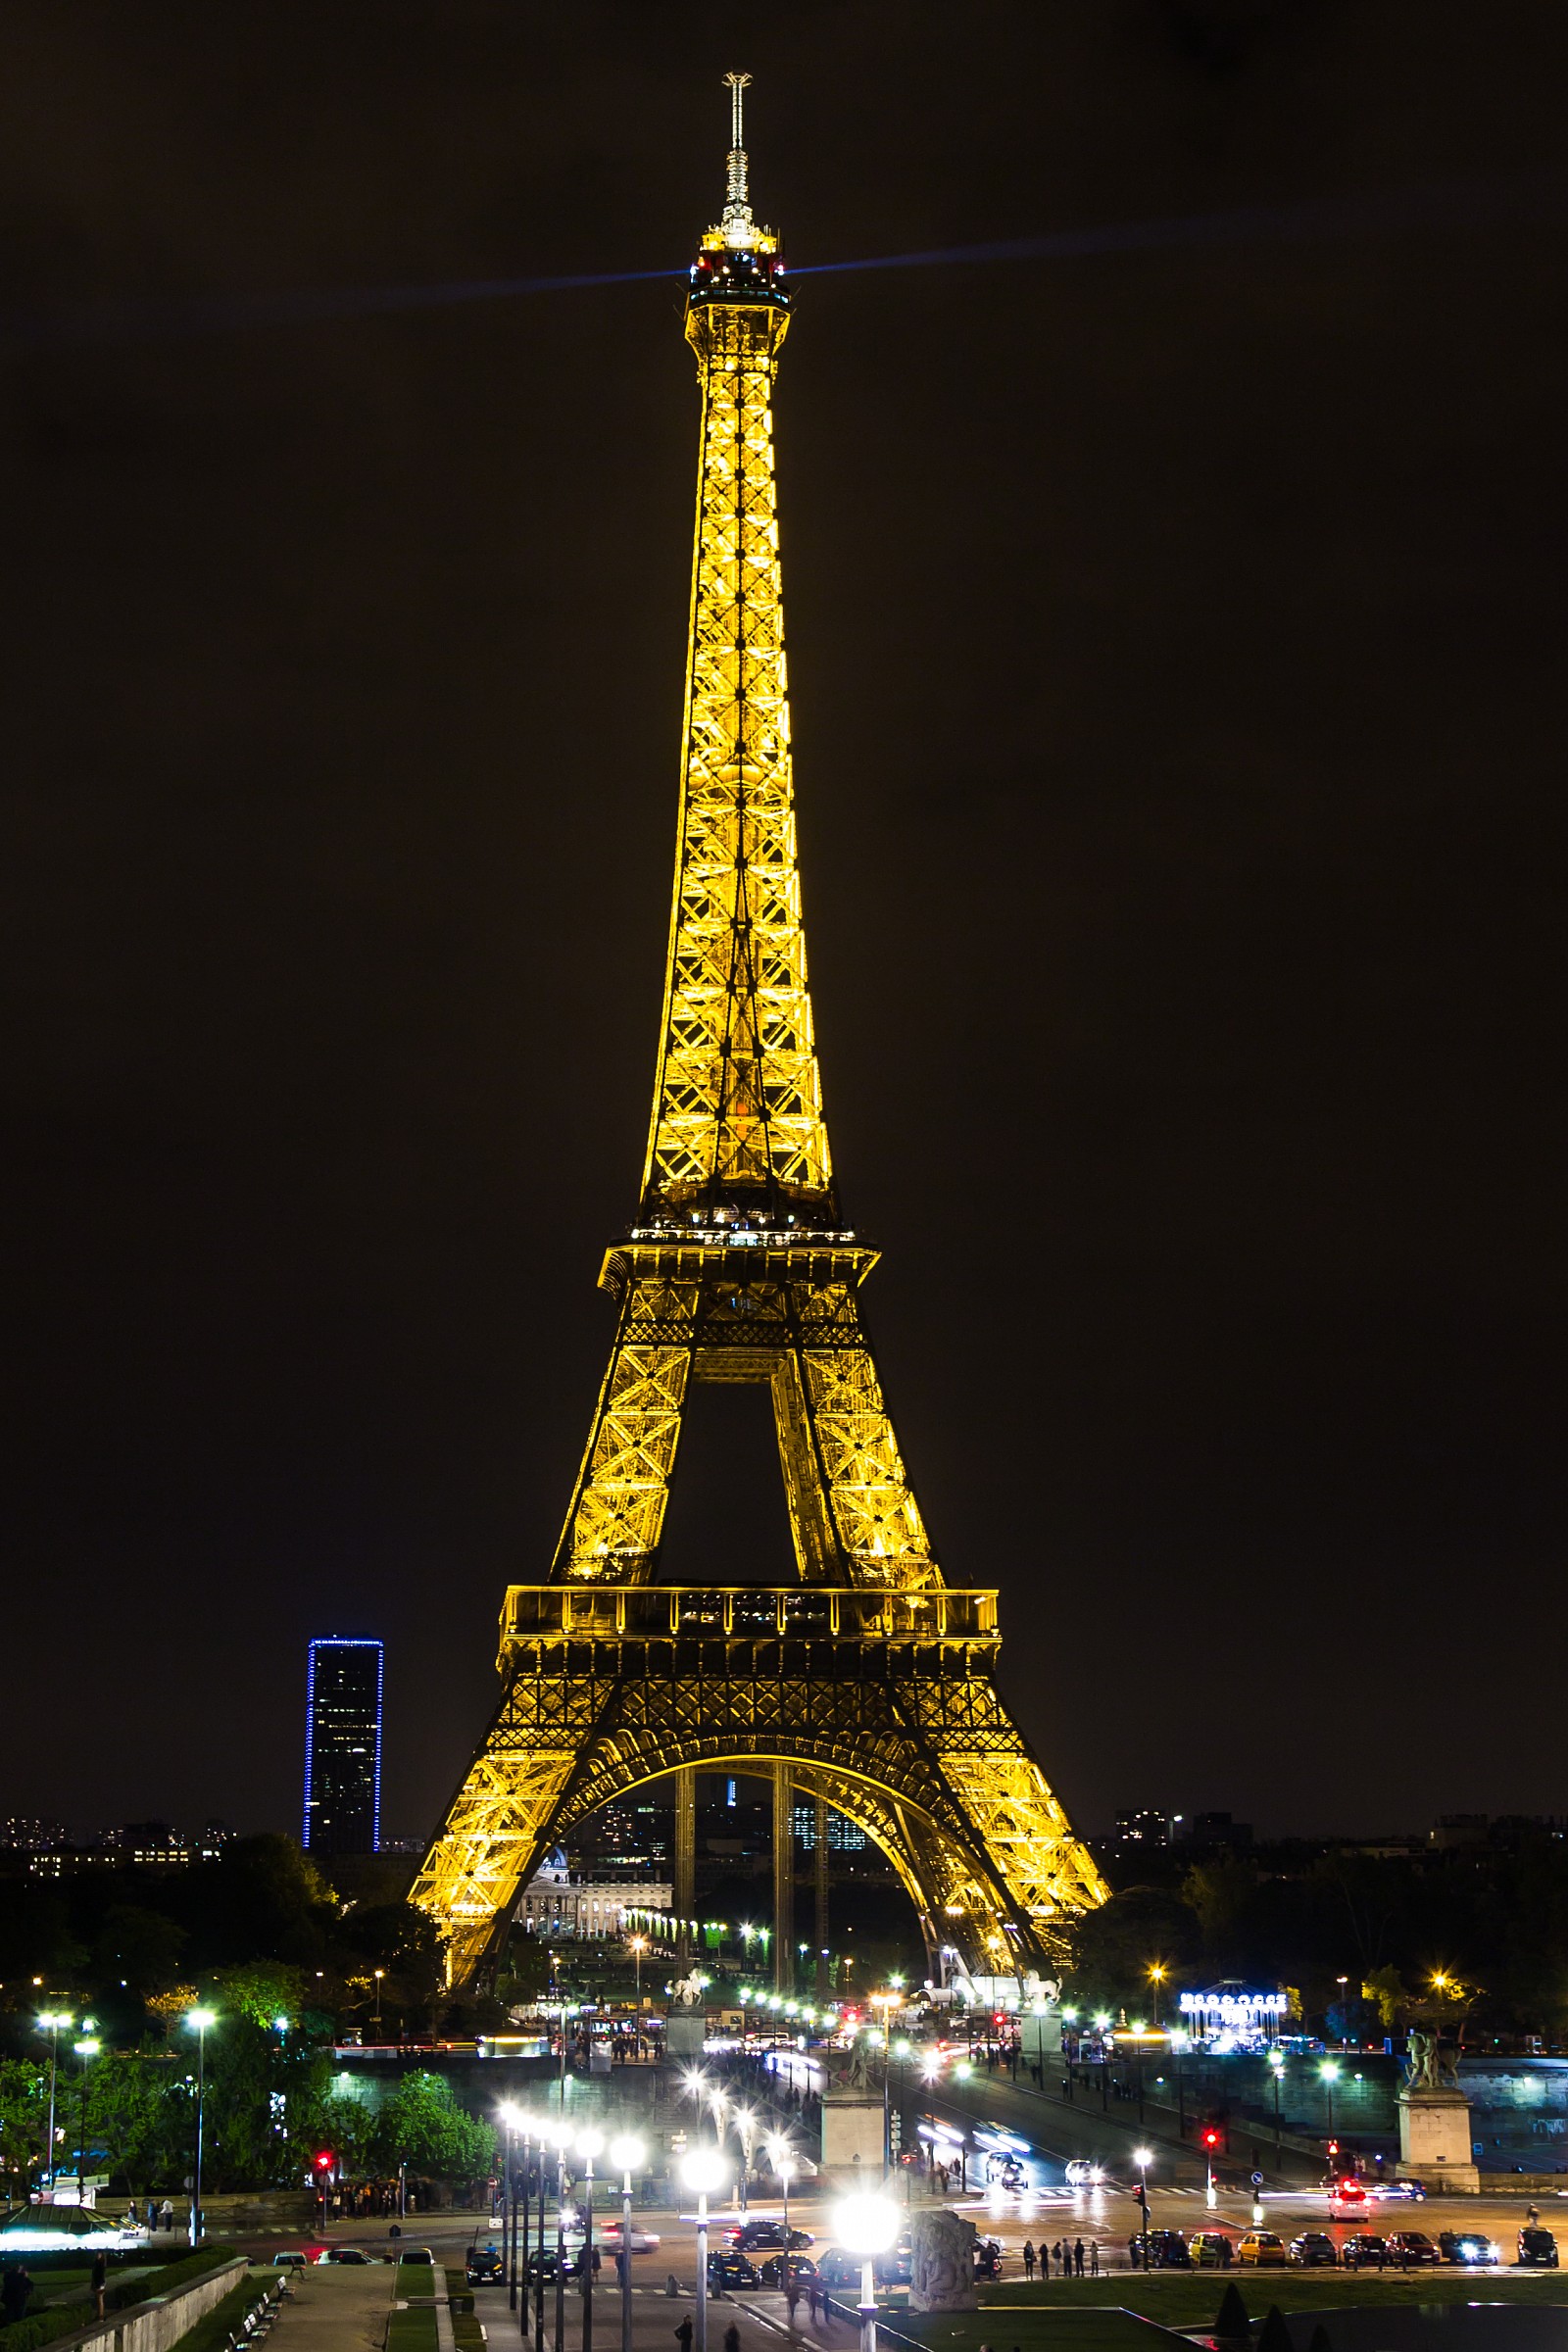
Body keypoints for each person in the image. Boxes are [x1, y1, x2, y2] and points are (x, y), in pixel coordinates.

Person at [91, 2253, 108, 2321]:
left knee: (99, 2299)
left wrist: (100, 2284)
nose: (97, 2256)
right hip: (98, 2283)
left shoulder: (100, 2264)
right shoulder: (97, 2263)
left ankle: (100, 2315)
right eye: (97, 2254)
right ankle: (99, 2314)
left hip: (100, 2284)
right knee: (98, 2299)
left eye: (99, 2255)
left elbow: (101, 2275)